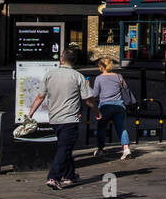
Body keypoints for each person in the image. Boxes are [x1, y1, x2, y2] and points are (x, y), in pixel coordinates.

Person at [28, 48, 98, 191]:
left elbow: (40, 96)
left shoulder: (50, 75)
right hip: (69, 119)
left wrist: (30, 114)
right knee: (64, 148)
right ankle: (53, 177)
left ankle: (69, 175)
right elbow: (88, 99)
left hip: (54, 119)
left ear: (61, 59)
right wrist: (97, 111)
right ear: (74, 61)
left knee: (65, 147)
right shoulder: (78, 77)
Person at [91, 57, 134, 160]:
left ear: (101, 66)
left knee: (102, 128)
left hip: (105, 106)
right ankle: (126, 149)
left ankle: (100, 149)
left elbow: (95, 94)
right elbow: (126, 89)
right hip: (119, 106)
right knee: (121, 128)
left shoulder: (99, 78)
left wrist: (88, 87)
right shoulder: (119, 76)